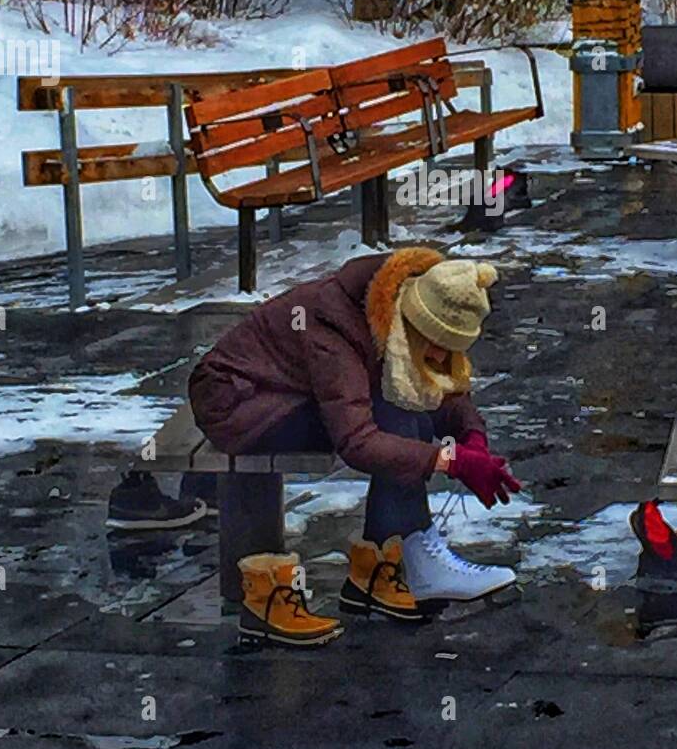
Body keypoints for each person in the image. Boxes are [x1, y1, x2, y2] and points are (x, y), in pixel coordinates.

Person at [185, 248, 521, 647]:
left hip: (292, 390)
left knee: (404, 411)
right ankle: (410, 560)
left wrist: (472, 438)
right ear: (412, 321)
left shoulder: (404, 303)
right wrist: (449, 461)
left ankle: (382, 569)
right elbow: (357, 442)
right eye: (435, 344)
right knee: (396, 418)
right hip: (241, 403)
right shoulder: (336, 326)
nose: (439, 356)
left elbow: (435, 380)